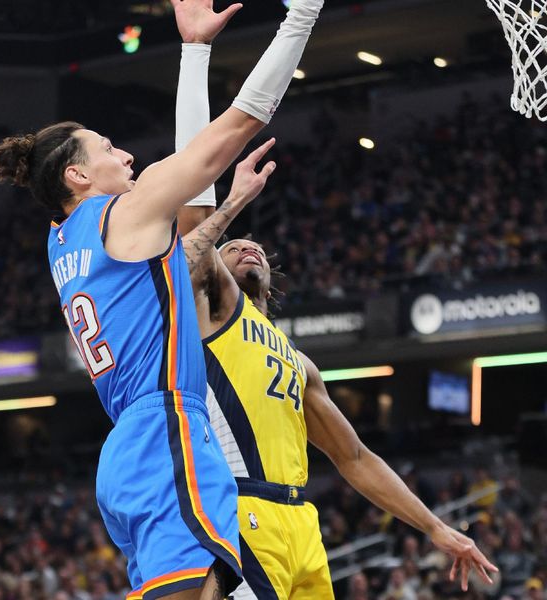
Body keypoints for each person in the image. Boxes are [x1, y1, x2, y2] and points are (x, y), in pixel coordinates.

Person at [0, 0, 326, 597]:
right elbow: (236, 127)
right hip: (165, 427)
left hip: (133, 445)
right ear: (77, 177)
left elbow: (189, 236)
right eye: (109, 149)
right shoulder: (120, 212)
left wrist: (196, 53)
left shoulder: (66, 240)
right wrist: (302, 15)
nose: (126, 155)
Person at [173, 20, 499, 600]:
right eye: (232, 245)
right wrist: (194, 53)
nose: (247, 244)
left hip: (304, 527)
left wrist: (435, 527)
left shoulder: (298, 362)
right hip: (243, 511)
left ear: (272, 280)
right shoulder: (212, 308)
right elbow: (192, 190)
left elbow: (354, 456)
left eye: (258, 248)